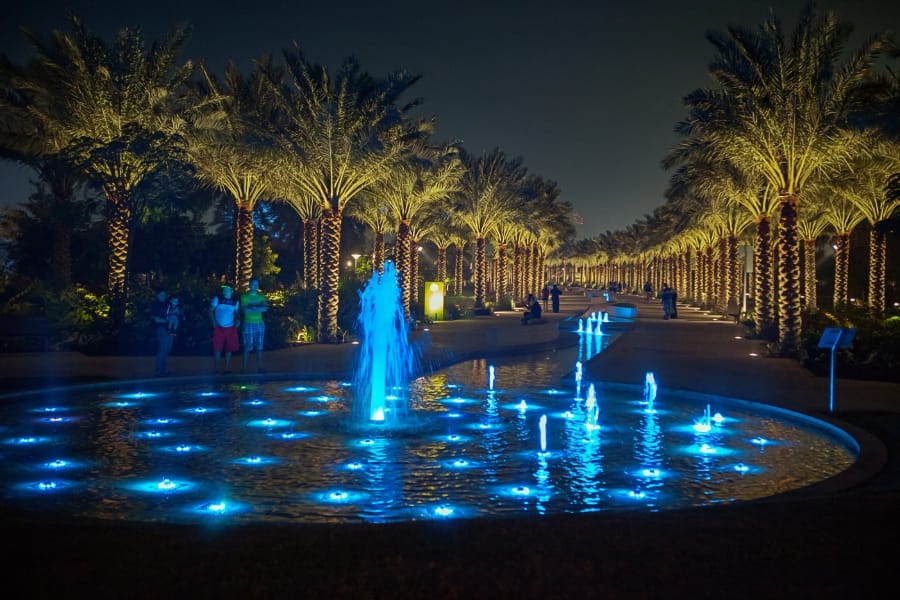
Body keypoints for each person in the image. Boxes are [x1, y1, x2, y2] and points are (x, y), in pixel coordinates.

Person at [210, 284, 240, 373]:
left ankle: (227, 368)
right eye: (224, 289)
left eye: (227, 289)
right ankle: (216, 369)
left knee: (229, 348)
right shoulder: (217, 298)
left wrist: (238, 320)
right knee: (217, 347)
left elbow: (236, 312)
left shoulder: (235, 301)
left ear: (231, 291)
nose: (225, 291)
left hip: (230, 327)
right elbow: (210, 310)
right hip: (219, 327)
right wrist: (213, 322)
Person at [241, 278, 269, 373]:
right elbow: (245, 310)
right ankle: (244, 369)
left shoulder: (261, 296)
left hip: (259, 323)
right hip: (248, 323)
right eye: (253, 284)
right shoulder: (245, 296)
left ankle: (260, 368)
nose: (255, 286)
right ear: (250, 285)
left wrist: (253, 307)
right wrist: (259, 308)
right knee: (247, 346)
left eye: (256, 284)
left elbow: (265, 308)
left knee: (259, 347)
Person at [151, 289, 173, 376]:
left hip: (168, 329)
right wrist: (167, 321)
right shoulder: (156, 305)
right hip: (161, 329)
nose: (163, 297)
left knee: (167, 349)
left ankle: (164, 370)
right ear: (157, 296)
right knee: (162, 349)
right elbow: (156, 320)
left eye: (164, 295)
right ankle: (159, 370)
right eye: (161, 295)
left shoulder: (165, 305)